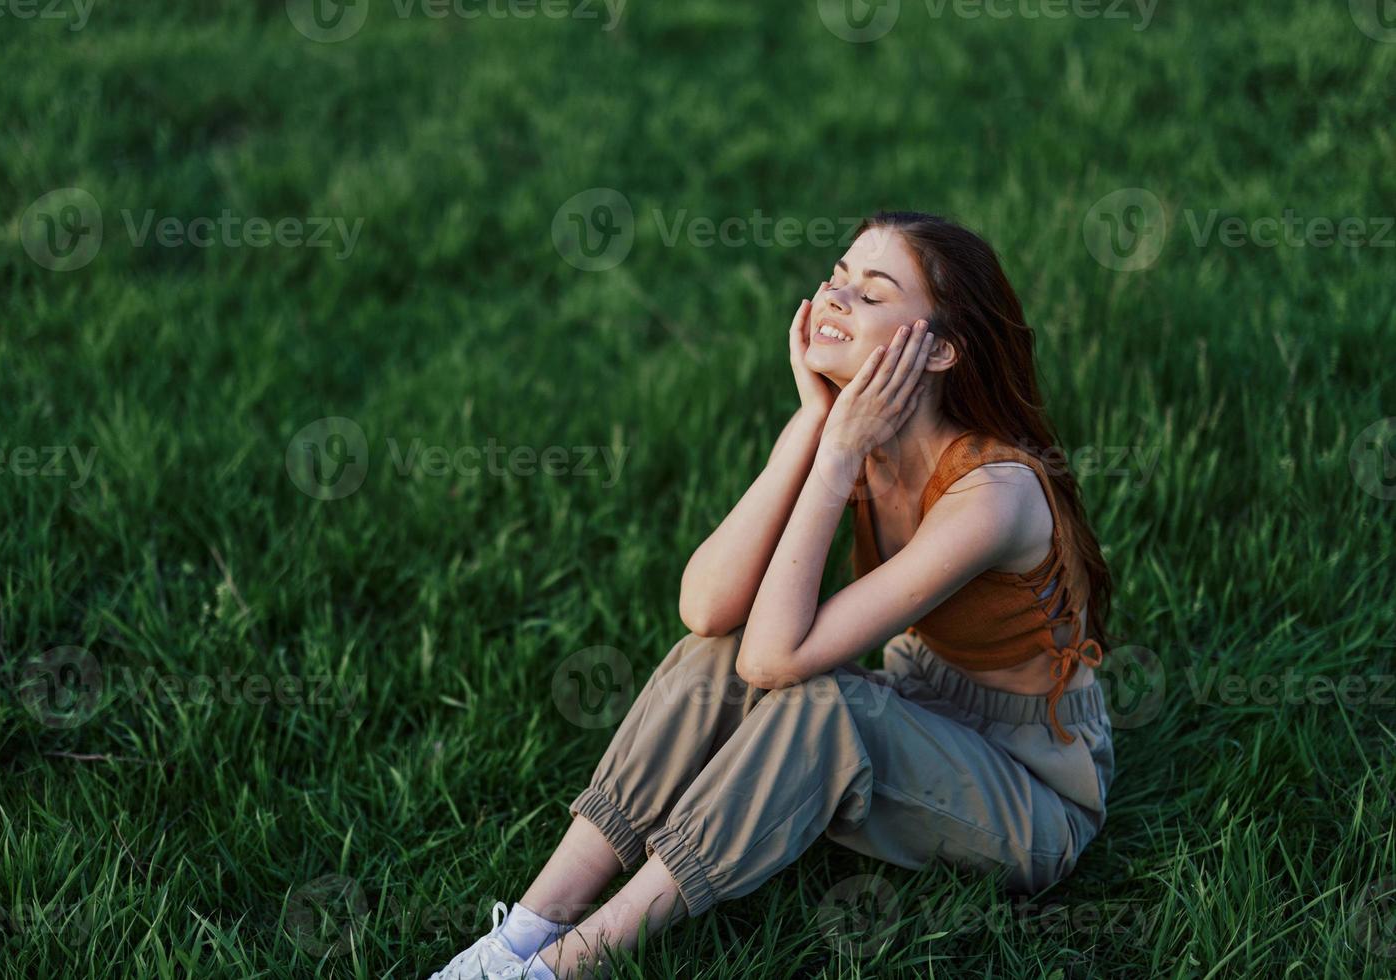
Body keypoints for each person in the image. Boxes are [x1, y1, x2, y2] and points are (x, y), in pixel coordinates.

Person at [426, 211, 1117, 979]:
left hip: (1033, 792)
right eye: (835, 278)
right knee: (712, 655)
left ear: (943, 349)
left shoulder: (991, 496)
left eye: (873, 293)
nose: (834, 298)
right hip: (920, 702)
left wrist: (835, 456)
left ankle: (565, 966)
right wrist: (813, 425)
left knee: (819, 708)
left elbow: (776, 656)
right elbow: (708, 613)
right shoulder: (861, 437)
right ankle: (524, 930)